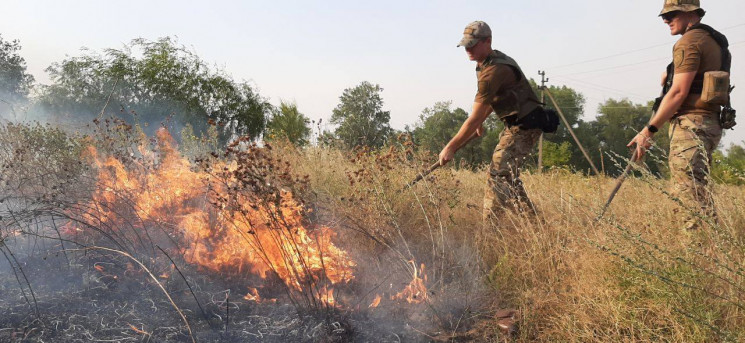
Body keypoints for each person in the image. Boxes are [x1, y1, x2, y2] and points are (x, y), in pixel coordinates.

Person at [439, 21, 558, 224]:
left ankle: (490, 234)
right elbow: (488, 104)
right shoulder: (485, 63)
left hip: (525, 124)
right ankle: (536, 226)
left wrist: (450, 147)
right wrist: (478, 124)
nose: (468, 49)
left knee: (498, 175)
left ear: (488, 41)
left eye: (473, 44)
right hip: (515, 124)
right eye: (466, 45)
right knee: (507, 178)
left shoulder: (495, 69)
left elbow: (476, 114)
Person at [627, 0, 732, 231]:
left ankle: (697, 257)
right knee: (698, 191)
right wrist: (671, 72)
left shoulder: (689, 41)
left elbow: (678, 93)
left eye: (672, 14)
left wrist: (649, 131)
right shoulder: (714, 40)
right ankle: (712, 249)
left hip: (692, 124)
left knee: (688, 197)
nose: (666, 20)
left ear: (691, 13)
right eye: (664, 15)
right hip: (709, 122)